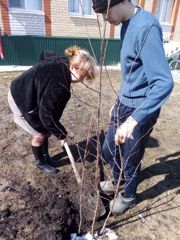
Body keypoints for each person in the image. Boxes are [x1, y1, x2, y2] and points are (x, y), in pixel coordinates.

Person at [92, 0, 174, 214]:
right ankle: (117, 179)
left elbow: (163, 82)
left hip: (140, 109)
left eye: (105, 11)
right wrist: (117, 101)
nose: (105, 18)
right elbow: (133, 73)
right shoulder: (126, 24)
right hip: (124, 103)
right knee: (108, 148)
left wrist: (134, 119)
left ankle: (128, 195)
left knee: (131, 158)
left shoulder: (146, 28)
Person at [8, 46, 96, 174]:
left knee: (46, 130)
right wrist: (62, 134)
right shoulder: (59, 85)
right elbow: (47, 116)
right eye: (82, 76)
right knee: (40, 134)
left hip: (27, 92)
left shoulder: (62, 61)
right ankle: (41, 162)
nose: (82, 81)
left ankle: (46, 157)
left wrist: (39, 81)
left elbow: (45, 54)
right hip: (20, 97)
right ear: (72, 67)